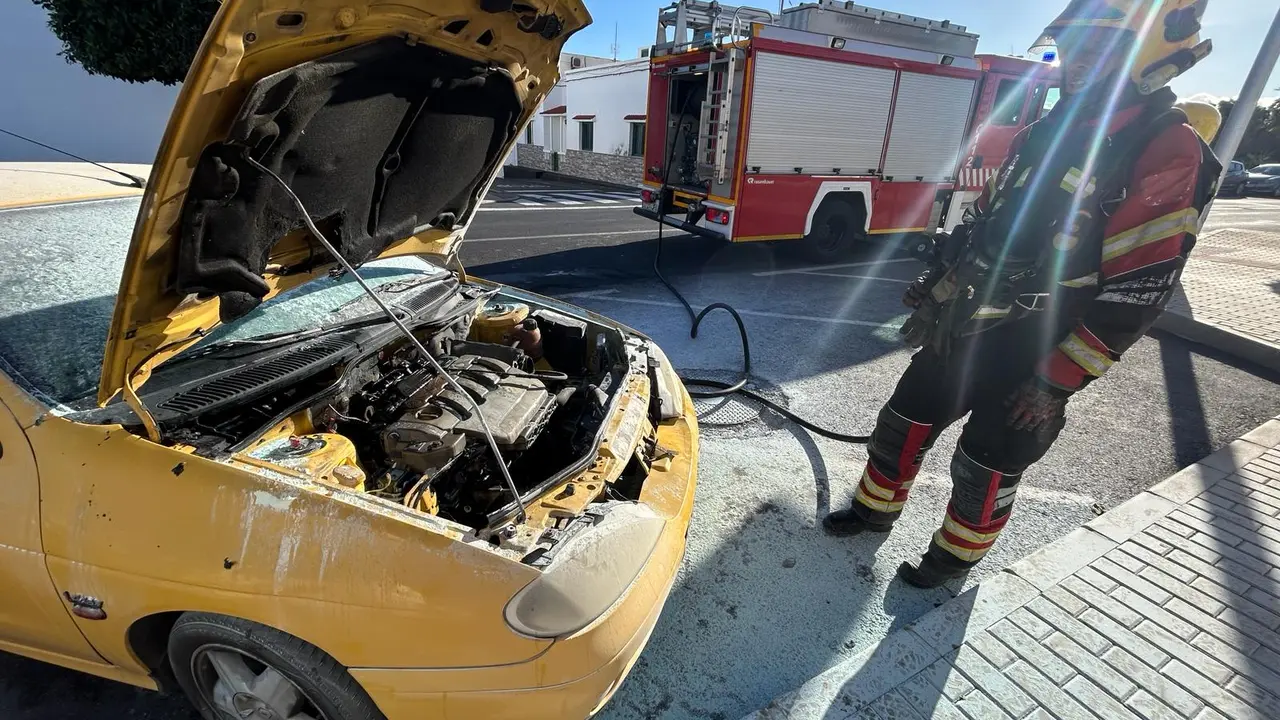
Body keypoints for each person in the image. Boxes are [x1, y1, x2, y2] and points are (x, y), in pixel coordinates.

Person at [823, 0, 1223, 588]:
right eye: (1073, 46)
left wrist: (1055, 380)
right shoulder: (1045, 130)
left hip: (1043, 341)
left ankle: (953, 557)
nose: (1077, 61)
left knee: (987, 461)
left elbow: (1139, 288)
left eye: (1100, 48)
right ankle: (873, 510)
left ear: (1149, 56)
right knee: (904, 418)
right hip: (968, 320)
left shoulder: (1165, 146)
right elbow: (987, 221)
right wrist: (937, 284)